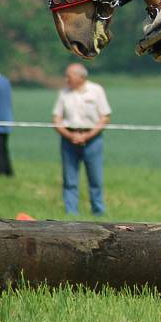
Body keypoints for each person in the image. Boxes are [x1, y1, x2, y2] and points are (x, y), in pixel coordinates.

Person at [52, 63, 111, 216]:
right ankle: (71, 212)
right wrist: (69, 135)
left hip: (92, 140)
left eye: (69, 76)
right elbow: (56, 118)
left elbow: (105, 117)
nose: (66, 79)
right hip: (68, 140)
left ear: (80, 77)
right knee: (69, 179)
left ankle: (98, 211)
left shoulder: (96, 90)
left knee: (95, 179)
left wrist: (87, 135)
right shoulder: (64, 93)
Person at [0, 71, 13, 177]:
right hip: (6, 121)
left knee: (1, 150)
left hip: (1, 122)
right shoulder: (5, 81)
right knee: (3, 149)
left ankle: (3, 172)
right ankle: (8, 172)